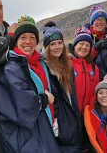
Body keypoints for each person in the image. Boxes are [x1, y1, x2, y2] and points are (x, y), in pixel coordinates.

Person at [0, 15, 60, 153]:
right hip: (25, 138)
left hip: (42, 129)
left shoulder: (40, 64)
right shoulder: (10, 69)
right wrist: (45, 98)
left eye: (32, 37)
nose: (28, 42)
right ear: (16, 41)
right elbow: (23, 104)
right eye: (23, 37)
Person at [42, 23, 81, 153]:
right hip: (59, 123)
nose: (57, 47)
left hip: (72, 118)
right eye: (52, 44)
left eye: (59, 43)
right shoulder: (45, 68)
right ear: (46, 47)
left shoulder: (67, 65)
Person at [68, 26, 100, 152]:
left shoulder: (93, 67)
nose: (84, 47)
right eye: (81, 43)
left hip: (87, 115)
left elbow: (96, 91)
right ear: (75, 44)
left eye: (88, 44)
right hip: (70, 115)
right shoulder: (66, 63)